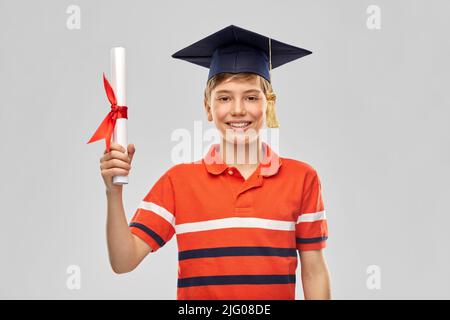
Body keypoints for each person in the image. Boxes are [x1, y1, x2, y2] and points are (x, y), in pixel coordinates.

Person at [99, 25, 331, 300]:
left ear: (268, 105)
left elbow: (314, 271)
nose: (237, 109)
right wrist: (114, 193)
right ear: (208, 108)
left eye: (251, 97)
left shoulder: (302, 179)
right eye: (224, 98)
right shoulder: (178, 182)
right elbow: (123, 262)